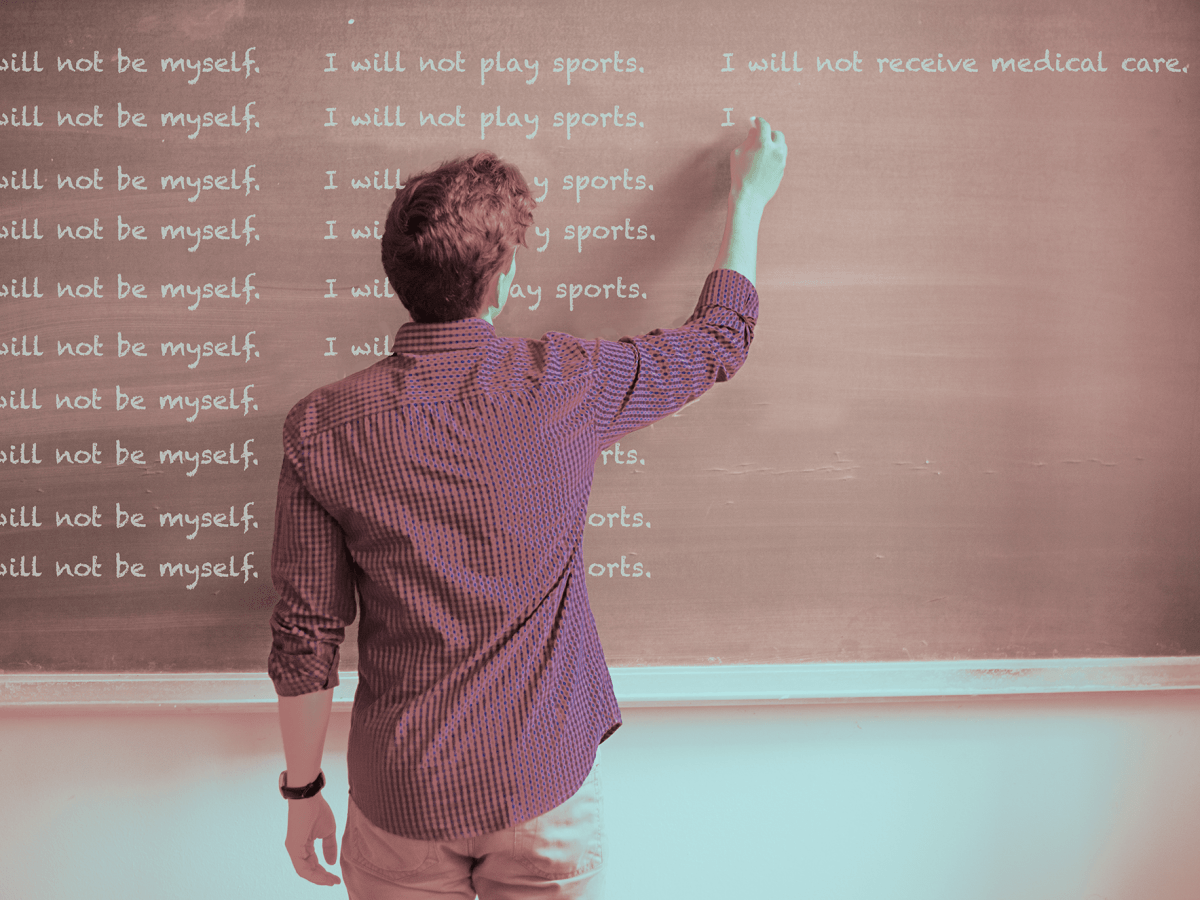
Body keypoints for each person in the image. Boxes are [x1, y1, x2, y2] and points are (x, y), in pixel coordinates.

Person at [268, 116, 787, 899]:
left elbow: (306, 632)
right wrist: (746, 201)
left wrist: (303, 792)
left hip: (404, 796)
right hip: (540, 783)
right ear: (503, 277)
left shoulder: (322, 427)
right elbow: (719, 341)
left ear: (396, 275)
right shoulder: (566, 386)